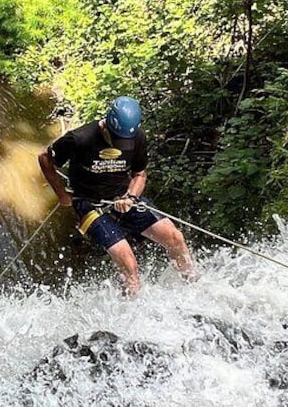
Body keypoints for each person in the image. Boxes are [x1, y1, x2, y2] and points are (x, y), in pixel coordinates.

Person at [38, 96, 195, 296]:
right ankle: (131, 308)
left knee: (175, 237)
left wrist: (130, 197)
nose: (122, 145)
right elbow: (44, 157)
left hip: (124, 197)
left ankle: (191, 283)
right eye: (117, 139)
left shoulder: (137, 137)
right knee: (129, 263)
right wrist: (62, 195)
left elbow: (140, 174)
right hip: (89, 203)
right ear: (106, 126)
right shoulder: (80, 138)